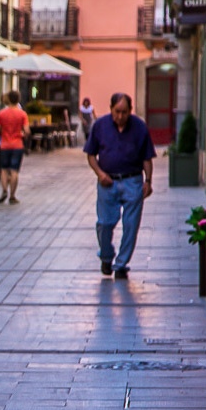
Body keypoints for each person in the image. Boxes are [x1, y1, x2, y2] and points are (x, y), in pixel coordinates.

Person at [82, 92, 156, 279]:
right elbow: (91, 155)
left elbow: (147, 157)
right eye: (117, 112)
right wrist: (100, 174)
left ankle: (121, 264)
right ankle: (106, 256)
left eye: (124, 112)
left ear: (130, 110)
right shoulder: (100, 126)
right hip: (108, 181)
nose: (120, 116)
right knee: (104, 223)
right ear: (111, 109)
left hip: (132, 180)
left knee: (131, 225)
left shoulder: (139, 127)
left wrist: (148, 181)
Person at [0, 90, 30, 205]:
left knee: (4, 170)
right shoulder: (22, 114)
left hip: (4, 145)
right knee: (14, 171)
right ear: (18, 99)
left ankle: (4, 190)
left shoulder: (2, 113)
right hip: (17, 145)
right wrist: (23, 135)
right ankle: (12, 196)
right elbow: (27, 131)